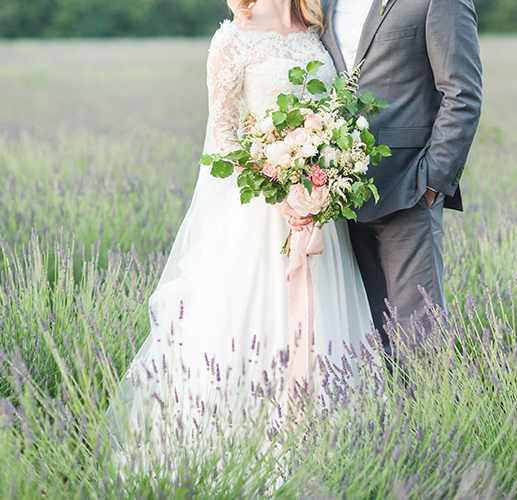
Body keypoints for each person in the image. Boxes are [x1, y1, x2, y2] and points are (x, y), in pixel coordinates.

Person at [105, 0, 374, 457]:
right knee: (253, 330)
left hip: (320, 213)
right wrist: (279, 181)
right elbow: (224, 138)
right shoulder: (232, 37)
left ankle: (329, 452)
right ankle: (243, 453)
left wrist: (327, 174)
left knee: (328, 328)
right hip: (259, 220)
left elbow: (333, 116)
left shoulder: (315, 30)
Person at [320, 0, 483, 349]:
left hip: (407, 190)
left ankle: (429, 407)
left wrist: (431, 183)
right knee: (362, 346)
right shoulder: (319, 4)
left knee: (419, 343)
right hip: (336, 201)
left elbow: (462, 94)